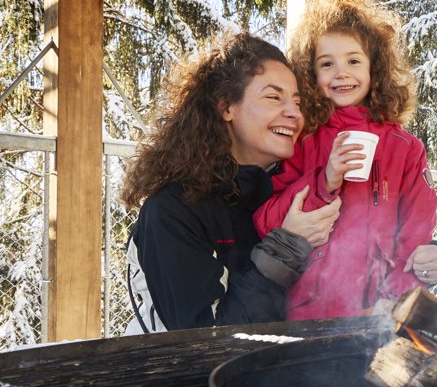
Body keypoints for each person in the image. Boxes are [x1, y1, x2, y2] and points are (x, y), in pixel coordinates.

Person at [254, 0, 437, 320]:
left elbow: (416, 234)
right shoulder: (302, 141)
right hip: (308, 314)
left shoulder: (406, 148)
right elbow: (267, 222)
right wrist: (323, 182)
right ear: (310, 74)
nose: (341, 73)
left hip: (379, 314)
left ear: (376, 69)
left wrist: (394, 298)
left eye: (354, 61)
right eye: (327, 63)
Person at [120, 33, 341, 333]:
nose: (294, 113)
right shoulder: (173, 211)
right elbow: (206, 340)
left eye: (297, 102)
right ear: (226, 107)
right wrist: (284, 249)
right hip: (186, 378)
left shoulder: (289, 193)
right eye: (274, 97)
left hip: (287, 372)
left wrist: (422, 254)